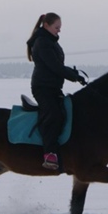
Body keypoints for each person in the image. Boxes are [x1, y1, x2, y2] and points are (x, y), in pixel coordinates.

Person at [26, 12, 87, 170]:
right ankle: (49, 154)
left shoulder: (51, 41)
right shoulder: (42, 42)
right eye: (57, 27)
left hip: (53, 87)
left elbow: (57, 66)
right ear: (46, 25)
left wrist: (74, 74)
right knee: (53, 115)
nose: (59, 31)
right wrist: (74, 77)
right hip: (42, 88)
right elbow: (55, 66)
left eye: (60, 28)